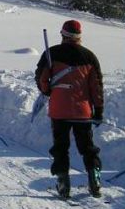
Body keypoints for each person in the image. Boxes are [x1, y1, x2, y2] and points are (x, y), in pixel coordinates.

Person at [34, 20, 104, 198]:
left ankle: (63, 183)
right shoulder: (90, 57)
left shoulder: (52, 54)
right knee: (87, 146)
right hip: (83, 111)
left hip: (59, 110)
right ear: (79, 36)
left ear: (63, 34)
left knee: (61, 147)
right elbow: (96, 87)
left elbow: (41, 79)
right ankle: (94, 178)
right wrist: (99, 110)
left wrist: (49, 90)